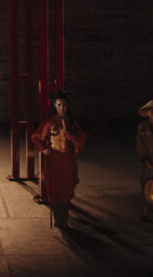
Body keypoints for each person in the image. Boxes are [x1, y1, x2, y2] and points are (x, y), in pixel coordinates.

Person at [30, 91, 87, 229]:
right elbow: (36, 137)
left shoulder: (72, 123)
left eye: (64, 105)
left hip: (67, 160)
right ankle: (57, 218)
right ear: (55, 106)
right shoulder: (49, 122)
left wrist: (70, 135)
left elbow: (82, 138)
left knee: (66, 188)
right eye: (59, 105)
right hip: (53, 160)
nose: (62, 108)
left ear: (68, 106)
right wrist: (43, 149)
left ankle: (64, 219)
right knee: (54, 187)